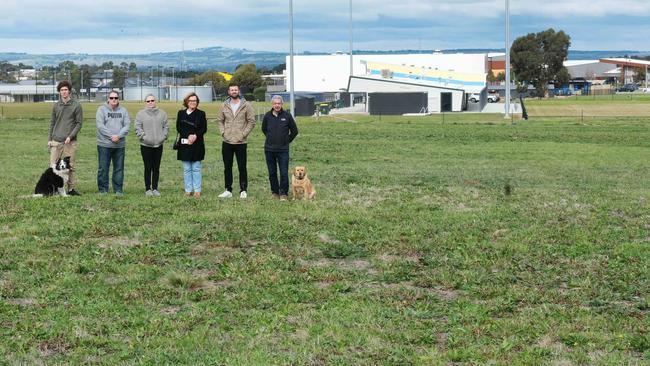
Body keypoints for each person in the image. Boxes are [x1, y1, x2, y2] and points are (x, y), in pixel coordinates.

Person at [216, 84, 256, 199]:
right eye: (232, 90)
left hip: (241, 142)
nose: (234, 91)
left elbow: (251, 121)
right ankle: (228, 189)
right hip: (227, 141)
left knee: (242, 167)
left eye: (236, 90)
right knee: (227, 167)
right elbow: (220, 120)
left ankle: (243, 190)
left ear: (239, 91)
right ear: (228, 92)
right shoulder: (224, 105)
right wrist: (223, 132)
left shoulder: (246, 105)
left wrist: (243, 134)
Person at [48, 80, 83, 196]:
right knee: (53, 166)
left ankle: (71, 189)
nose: (64, 92)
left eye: (66, 90)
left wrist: (70, 136)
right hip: (56, 141)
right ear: (59, 92)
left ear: (69, 91)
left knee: (70, 166)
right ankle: (53, 189)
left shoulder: (76, 105)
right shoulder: (56, 106)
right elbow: (52, 123)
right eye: (62, 90)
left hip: (69, 142)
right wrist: (50, 139)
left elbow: (79, 123)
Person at [262, 95, 298, 200]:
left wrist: (286, 141)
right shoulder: (267, 116)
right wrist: (270, 138)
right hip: (269, 150)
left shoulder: (287, 116)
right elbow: (264, 129)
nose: (277, 105)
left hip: (283, 150)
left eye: (279, 103)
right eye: (275, 103)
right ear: (272, 104)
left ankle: (283, 193)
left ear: (282, 104)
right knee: (272, 172)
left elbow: (295, 131)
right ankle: (275, 192)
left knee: (283, 172)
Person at [96, 90, 130, 196]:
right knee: (103, 168)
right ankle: (103, 189)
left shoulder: (123, 111)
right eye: (111, 98)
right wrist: (111, 136)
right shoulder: (101, 110)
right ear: (108, 99)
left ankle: (118, 190)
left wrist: (118, 136)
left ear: (118, 99)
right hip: (104, 144)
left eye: (116, 98)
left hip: (119, 145)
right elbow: (100, 126)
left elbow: (127, 125)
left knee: (119, 168)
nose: (113, 100)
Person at [135, 94, 168, 196]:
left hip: (158, 145)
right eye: (148, 101)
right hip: (146, 145)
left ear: (155, 101)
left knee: (156, 168)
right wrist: (144, 137)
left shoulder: (162, 113)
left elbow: (166, 126)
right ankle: (147, 189)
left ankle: (155, 188)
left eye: (152, 100)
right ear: (145, 102)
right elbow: (137, 127)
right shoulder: (141, 114)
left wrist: (163, 137)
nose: (150, 102)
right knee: (148, 167)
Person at [176, 92, 207, 198]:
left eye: (195, 101)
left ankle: (197, 190)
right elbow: (179, 128)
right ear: (187, 102)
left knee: (196, 168)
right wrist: (188, 135)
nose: (193, 102)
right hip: (185, 144)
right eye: (191, 100)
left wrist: (195, 136)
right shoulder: (181, 113)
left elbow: (204, 129)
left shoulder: (201, 114)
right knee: (186, 168)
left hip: (197, 144)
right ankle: (188, 190)